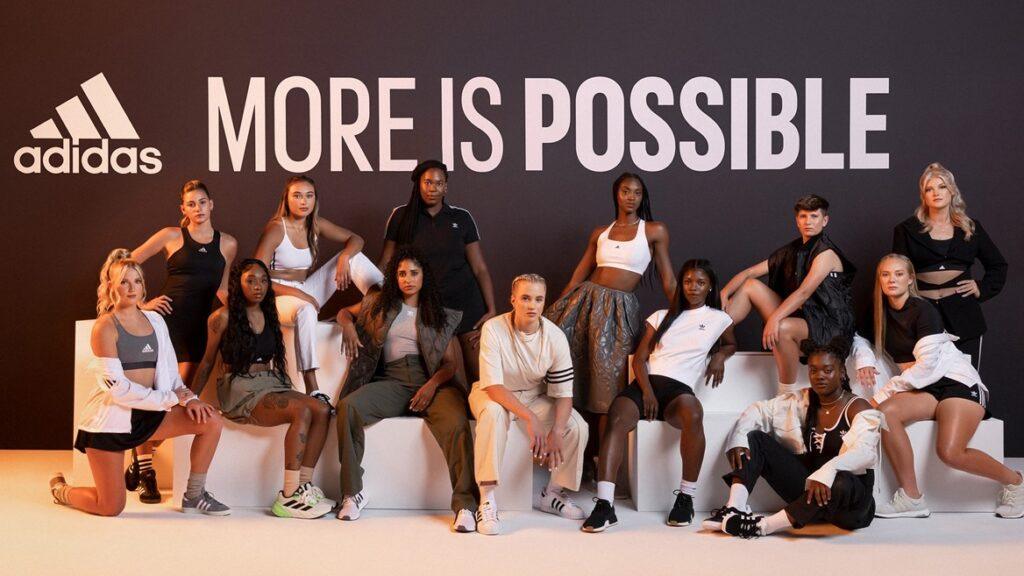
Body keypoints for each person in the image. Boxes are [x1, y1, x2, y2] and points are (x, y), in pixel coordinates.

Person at [49, 249, 229, 516]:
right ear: (111, 287)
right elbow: (118, 390)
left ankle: (194, 495)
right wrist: (170, 399)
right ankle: (61, 490)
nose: (131, 288)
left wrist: (190, 399)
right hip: (111, 424)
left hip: (150, 417)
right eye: (123, 281)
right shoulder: (105, 327)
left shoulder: (156, 321)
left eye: (137, 281)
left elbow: (171, 375)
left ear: (144, 285)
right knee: (110, 507)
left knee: (211, 420)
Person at [582, 259, 735, 532]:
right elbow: (640, 360)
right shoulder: (662, 316)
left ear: (710, 286)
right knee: (616, 416)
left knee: (694, 413)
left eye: (700, 282)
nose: (693, 287)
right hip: (646, 386)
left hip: (678, 391)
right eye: (688, 281)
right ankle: (605, 505)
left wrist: (720, 356)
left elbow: (732, 344)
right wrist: (648, 393)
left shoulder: (719, 319)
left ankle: (685, 498)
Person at [335, 246, 478, 531]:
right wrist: (348, 326)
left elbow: (450, 364)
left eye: (414, 273)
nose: (408, 279)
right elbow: (343, 313)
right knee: (348, 407)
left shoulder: (438, 313)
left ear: (424, 276)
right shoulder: (378, 304)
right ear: (395, 277)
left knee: (457, 423)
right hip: (393, 380)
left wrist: (431, 386)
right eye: (402, 274)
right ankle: (352, 493)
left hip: (433, 381)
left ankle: (465, 505)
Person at [869, 254, 1022, 519]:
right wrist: (865, 363)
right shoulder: (879, 313)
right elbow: (859, 339)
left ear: (910, 279)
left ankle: (1015, 482)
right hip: (928, 388)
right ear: (879, 280)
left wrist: (883, 393)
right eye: (885, 274)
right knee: (886, 413)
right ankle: (911, 498)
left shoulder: (923, 309)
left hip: (957, 382)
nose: (892, 280)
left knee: (950, 452)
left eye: (899, 274)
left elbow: (927, 366)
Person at [544, 173, 675, 482]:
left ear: (642, 197)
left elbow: (668, 279)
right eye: (625, 191)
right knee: (577, 381)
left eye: (637, 192)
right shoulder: (600, 233)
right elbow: (577, 278)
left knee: (608, 392)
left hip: (618, 313)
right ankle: (580, 464)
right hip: (584, 306)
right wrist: (551, 314)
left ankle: (604, 466)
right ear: (616, 194)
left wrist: (682, 316)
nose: (631, 197)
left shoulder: (654, 231)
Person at [190, 259, 335, 519]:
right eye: (251, 280)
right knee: (301, 411)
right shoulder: (221, 318)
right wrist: (191, 398)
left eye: (264, 280)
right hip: (240, 389)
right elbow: (208, 362)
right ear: (238, 284)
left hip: (270, 382)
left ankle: (303, 486)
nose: (258, 286)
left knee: (322, 410)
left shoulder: (269, 314)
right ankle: (288, 496)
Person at [125, 179, 237, 503]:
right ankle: (147, 474)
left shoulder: (228, 243)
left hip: (197, 331)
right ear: (183, 209)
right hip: (164, 325)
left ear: (211, 204)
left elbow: (222, 289)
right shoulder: (171, 236)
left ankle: (139, 457)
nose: (197, 208)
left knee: (178, 403)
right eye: (191, 204)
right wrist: (141, 303)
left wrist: (240, 313)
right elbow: (126, 266)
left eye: (202, 202)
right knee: (155, 399)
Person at [703, 338, 881, 538]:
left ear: (841, 373)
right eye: (813, 370)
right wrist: (739, 438)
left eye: (827, 370)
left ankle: (762, 526)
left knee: (841, 480)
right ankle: (734, 508)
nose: (819, 376)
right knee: (754, 438)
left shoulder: (858, 407)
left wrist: (828, 470)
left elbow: (864, 453)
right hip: (812, 497)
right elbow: (759, 410)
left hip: (850, 508)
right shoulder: (803, 400)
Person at [470, 274, 589, 535]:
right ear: (513, 300)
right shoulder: (493, 328)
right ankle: (487, 499)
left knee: (576, 426)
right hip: (494, 393)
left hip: (534, 396)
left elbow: (564, 394)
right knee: (492, 414)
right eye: (525, 298)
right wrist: (530, 418)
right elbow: (493, 386)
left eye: (538, 299)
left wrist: (557, 430)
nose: (532, 305)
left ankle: (552, 493)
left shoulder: (555, 336)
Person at [254, 175, 383, 409]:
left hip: (303, 290)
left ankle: (384, 304)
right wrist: (301, 295)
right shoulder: (276, 228)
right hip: (276, 296)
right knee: (305, 308)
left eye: (309, 195)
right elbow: (256, 278)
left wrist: (345, 256)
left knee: (354, 258)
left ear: (315, 199)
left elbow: (356, 239)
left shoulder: (315, 224)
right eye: (297, 195)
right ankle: (312, 387)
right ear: (286, 199)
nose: (303, 201)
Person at [720, 194, 856, 395]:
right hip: (806, 317)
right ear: (797, 221)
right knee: (750, 286)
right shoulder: (793, 249)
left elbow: (804, 292)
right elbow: (751, 272)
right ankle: (708, 335)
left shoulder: (826, 253)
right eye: (803, 216)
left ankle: (785, 395)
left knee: (781, 328)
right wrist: (724, 292)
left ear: (825, 220)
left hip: (831, 327)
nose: (808, 221)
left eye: (814, 216)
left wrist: (774, 318)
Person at [380, 160, 497, 380]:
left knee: (481, 376)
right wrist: (377, 298)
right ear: (418, 184)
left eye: (438, 183)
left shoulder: (461, 217)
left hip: (467, 304)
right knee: (454, 379)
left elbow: (479, 267)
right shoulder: (401, 216)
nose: (432, 188)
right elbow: (386, 263)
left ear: (446, 187)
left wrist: (491, 309)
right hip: (430, 309)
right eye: (427, 182)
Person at [891, 162, 1007, 370]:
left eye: (942, 186)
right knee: (923, 380)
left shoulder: (970, 227)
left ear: (952, 191)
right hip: (922, 315)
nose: (936, 193)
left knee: (965, 380)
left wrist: (981, 287)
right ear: (923, 196)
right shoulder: (906, 229)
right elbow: (896, 272)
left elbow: (998, 265)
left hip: (964, 317)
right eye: (929, 189)